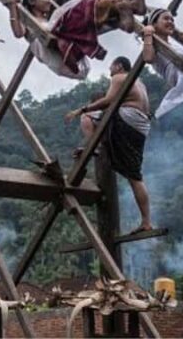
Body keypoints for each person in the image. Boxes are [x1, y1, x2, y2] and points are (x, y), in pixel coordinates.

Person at [65, 56, 154, 233]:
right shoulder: (139, 82)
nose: (109, 70)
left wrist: (81, 110)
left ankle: (94, 147)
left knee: (87, 118)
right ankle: (146, 221)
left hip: (127, 117)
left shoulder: (119, 77)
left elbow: (108, 101)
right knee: (134, 177)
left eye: (111, 67)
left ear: (119, 66)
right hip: (141, 126)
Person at [6, 0, 147, 79]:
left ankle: (126, 13)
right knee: (79, 7)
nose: (49, 0)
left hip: (69, 45)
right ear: (31, 1)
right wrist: (12, 6)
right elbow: (18, 33)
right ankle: (123, 3)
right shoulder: (29, 22)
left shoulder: (49, 20)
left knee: (90, 21)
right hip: (58, 55)